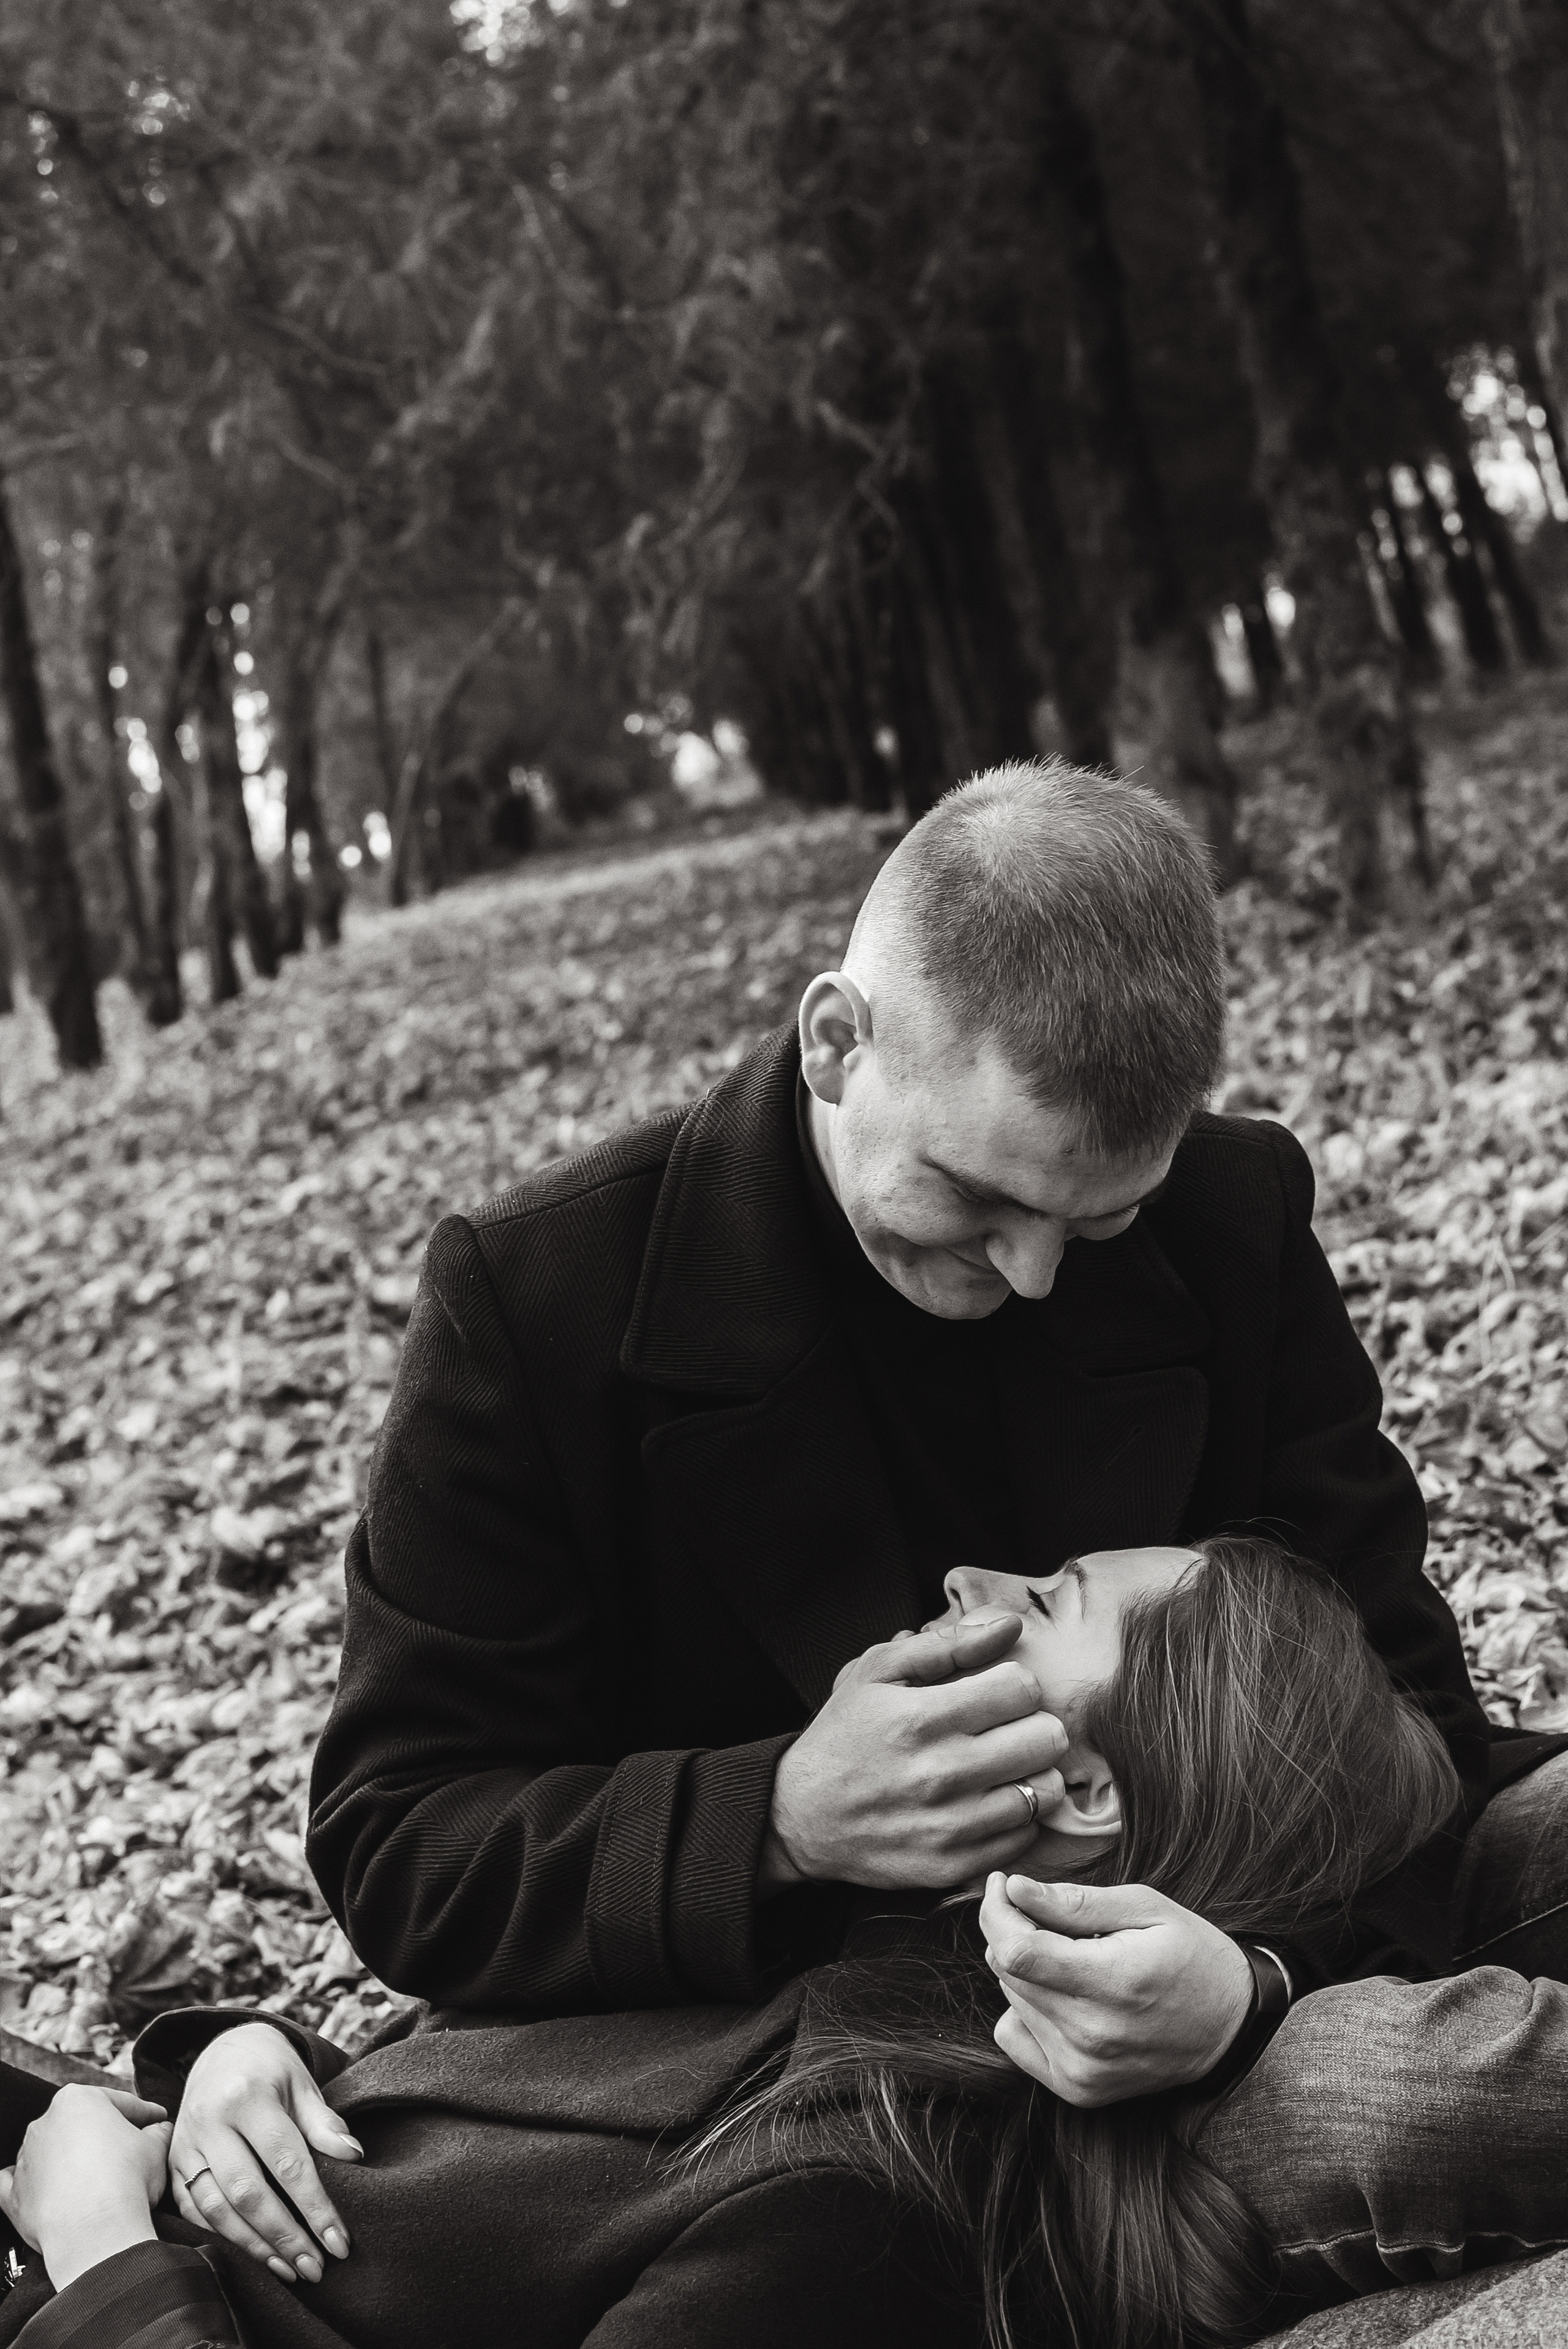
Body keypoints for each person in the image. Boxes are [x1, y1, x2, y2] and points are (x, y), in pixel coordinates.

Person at [306, 758, 1535, 2107]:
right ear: (835, 1041)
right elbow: (401, 1841)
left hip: (1230, 1964)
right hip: (799, 2077)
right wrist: (773, 1820)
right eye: (975, 1198)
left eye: (1098, 1222)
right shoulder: (540, 1295)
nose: (1032, 1280)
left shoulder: (1228, 1215)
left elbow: (1407, 1713)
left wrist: (1257, 1985)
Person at [10, 1537, 1564, 2349]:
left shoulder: (870, 2191)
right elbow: (473, 2165)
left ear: (1082, 1791)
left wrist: (109, 2264)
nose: (967, 1574)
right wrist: (233, 2061)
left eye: (1041, 1598)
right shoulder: (845, 1933)